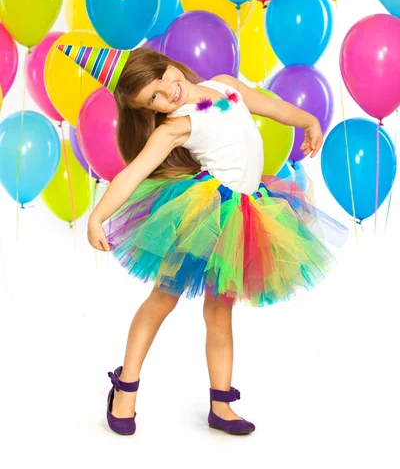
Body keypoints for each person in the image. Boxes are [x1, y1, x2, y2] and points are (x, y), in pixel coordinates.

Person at [58, 45, 347, 437]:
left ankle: (221, 404)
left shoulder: (224, 86)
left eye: (160, 80)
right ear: (150, 110)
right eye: (153, 99)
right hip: (205, 218)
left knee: (219, 314)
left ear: (168, 65)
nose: (166, 93)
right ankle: (125, 386)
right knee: (163, 298)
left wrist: (309, 120)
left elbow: (271, 107)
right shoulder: (174, 126)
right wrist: (97, 216)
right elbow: (134, 173)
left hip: (246, 214)